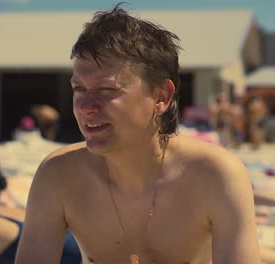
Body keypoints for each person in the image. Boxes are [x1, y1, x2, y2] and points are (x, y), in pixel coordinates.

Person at [16, 4, 260, 264]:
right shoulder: (58, 175)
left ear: (161, 96)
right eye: (79, 89)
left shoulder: (215, 176)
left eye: (107, 90)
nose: (86, 107)